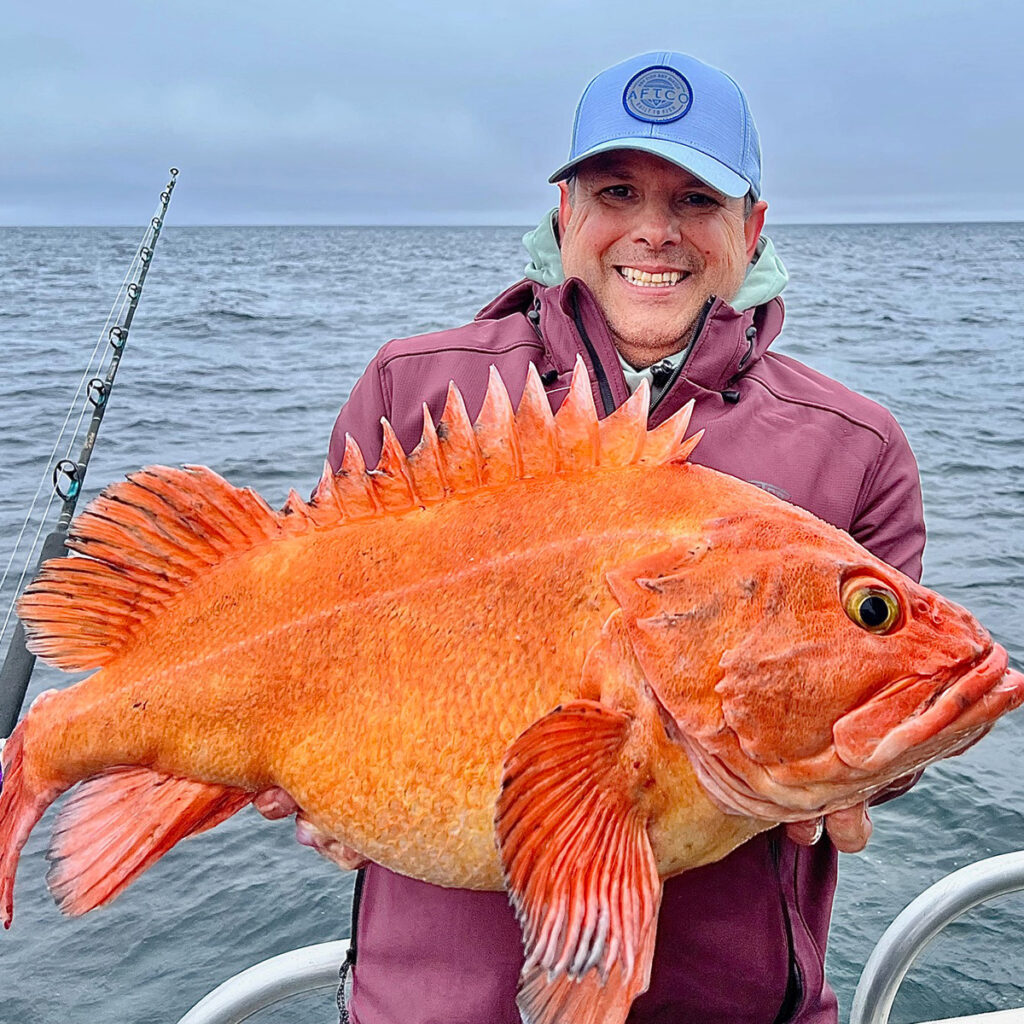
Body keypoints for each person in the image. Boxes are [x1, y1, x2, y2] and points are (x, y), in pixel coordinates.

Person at [258, 51, 925, 1023]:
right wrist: (304, 773)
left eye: (696, 199)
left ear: (753, 228)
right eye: (618, 190)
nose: (654, 230)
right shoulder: (412, 394)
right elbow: (298, 639)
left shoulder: (856, 450)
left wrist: (892, 758)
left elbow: (896, 690)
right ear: (565, 211)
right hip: (427, 1002)